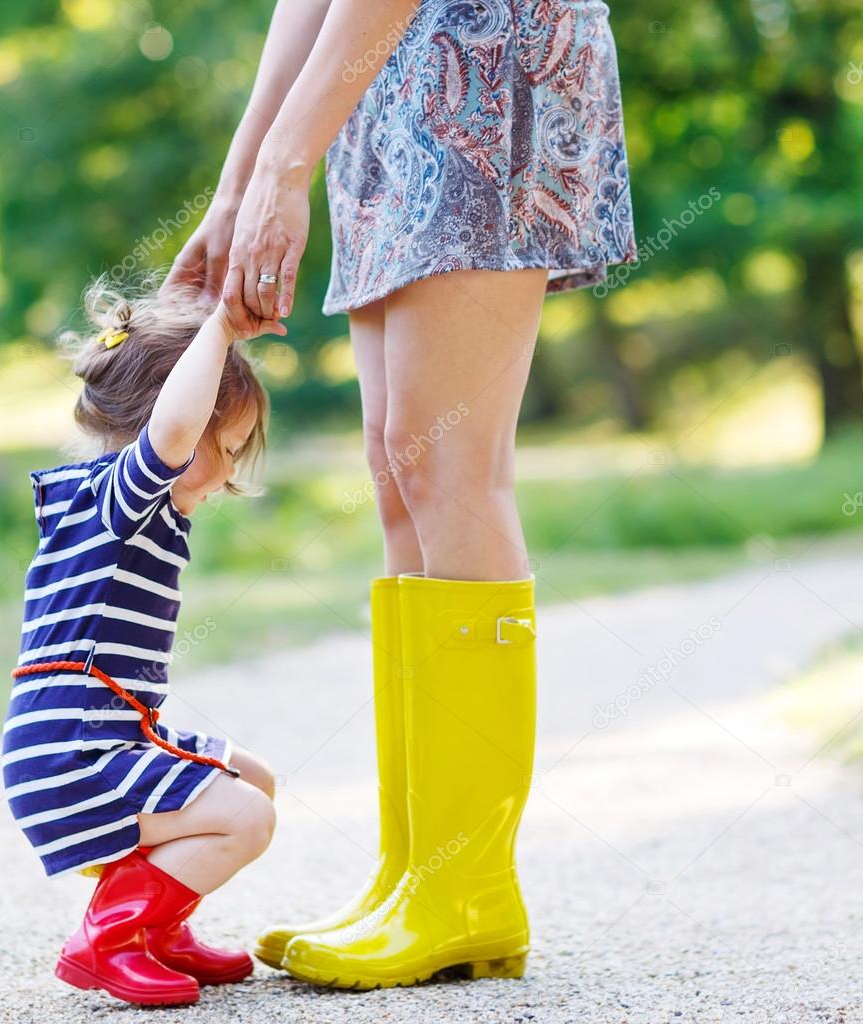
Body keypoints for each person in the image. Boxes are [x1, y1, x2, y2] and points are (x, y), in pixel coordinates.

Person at [165, 0, 638, 991]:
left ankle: (466, 885)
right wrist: (240, 180)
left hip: (482, 56)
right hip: (378, 84)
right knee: (401, 473)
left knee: (453, 466)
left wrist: (285, 167)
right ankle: (415, 875)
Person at [1, 274, 287, 1006]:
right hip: (75, 754)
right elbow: (173, 434)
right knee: (247, 817)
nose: (227, 470)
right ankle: (108, 939)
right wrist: (218, 330)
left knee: (253, 780)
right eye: (220, 445)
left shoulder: (116, 507)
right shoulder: (117, 500)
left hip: (107, 738)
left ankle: (158, 929)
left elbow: (179, 436)